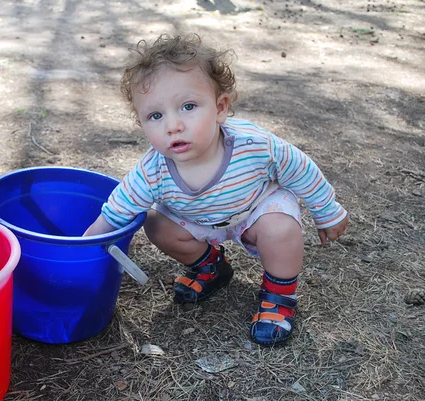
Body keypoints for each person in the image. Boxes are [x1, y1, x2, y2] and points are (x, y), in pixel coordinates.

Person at [83, 33, 349, 346]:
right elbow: (115, 212)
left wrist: (327, 211)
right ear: (142, 126)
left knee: (281, 228)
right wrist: (80, 248)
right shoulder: (151, 170)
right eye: (156, 115)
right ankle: (211, 267)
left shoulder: (254, 146)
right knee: (155, 224)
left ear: (220, 108)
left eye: (188, 106)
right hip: (200, 222)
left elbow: (299, 169)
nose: (173, 125)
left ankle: (279, 296)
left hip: (256, 210)